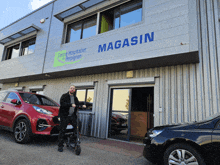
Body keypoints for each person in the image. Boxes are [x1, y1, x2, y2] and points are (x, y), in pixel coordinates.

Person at [57, 85, 85, 152]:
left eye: (73, 88)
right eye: (71, 88)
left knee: (78, 126)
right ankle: (60, 146)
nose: (72, 89)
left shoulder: (75, 97)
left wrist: (82, 105)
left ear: (74, 90)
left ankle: (73, 140)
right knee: (62, 130)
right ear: (69, 89)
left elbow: (77, 104)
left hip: (72, 116)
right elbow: (62, 104)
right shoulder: (64, 96)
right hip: (64, 116)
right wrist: (70, 105)